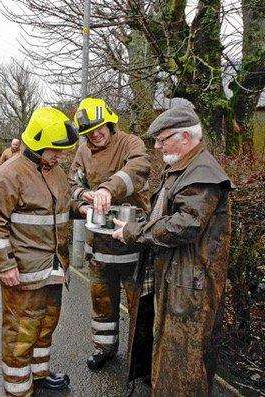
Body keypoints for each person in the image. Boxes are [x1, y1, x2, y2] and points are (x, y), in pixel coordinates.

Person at [112, 103, 234, 395]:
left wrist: (133, 232)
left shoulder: (202, 172)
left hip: (190, 287)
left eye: (162, 139)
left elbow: (184, 226)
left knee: (183, 365)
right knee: (167, 355)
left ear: (185, 137)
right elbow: (168, 216)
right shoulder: (184, 167)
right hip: (176, 279)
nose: (156, 146)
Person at [0, 107, 78, 396]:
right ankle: (17, 388)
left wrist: (83, 207)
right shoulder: (9, 175)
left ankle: (39, 374)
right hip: (23, 271)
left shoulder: (56, 171)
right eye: (54, 151)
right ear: (36, 144)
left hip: (54, 266)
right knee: (20, 335)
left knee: (46, 325)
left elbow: (63, 204)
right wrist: (6, 266)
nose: (60, 157)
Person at [68, 97, 151, 370]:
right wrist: (84, 198)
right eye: (90, 131)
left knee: (138, 305)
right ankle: (104, 348)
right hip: (99, 245)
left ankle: (139, 360)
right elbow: (72, 186)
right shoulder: (82, 151)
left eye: (100, 127)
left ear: (111, 122)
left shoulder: (130, 142)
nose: (95, 134)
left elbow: (138, 169)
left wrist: (106, 189)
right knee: (102, 301)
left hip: (132, 241)